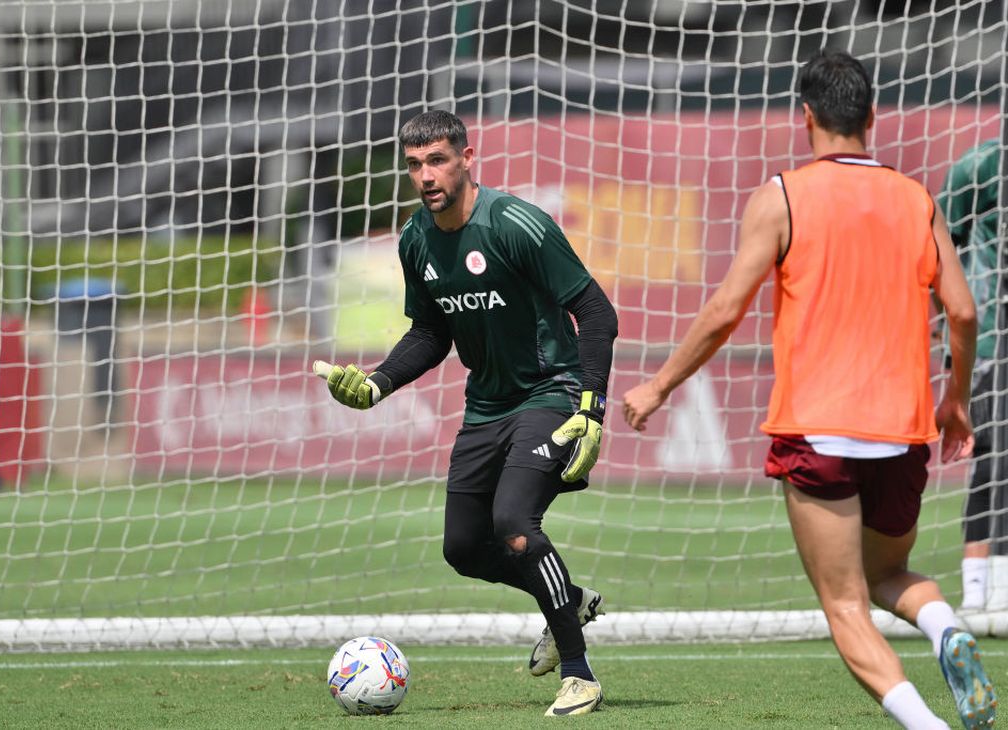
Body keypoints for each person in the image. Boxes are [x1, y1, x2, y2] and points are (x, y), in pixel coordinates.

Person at [622, 51, 995, 729]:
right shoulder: (916, 198)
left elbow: (724, 311)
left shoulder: (782, 196)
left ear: (807, 117)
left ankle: (929, 725)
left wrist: (657, 386)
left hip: (819, 427)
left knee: (846, 603)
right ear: (872, 116)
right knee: (889, 576)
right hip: (902, 428)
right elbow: (965, 312)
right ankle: (945, 630)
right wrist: (954, 400)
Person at [314, 110, 618, 716]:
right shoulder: (415, 239)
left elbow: (598, 313)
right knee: (463, 548)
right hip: (486, 408)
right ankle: (570, 596)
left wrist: (591, 407)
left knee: (514, 520)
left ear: (466, 158)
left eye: (437, 160)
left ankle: (579, 673)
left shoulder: (516, 224)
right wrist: (377, 385)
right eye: (414, 165)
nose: (426, 175)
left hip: (550, 393)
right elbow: (430, 333)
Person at [937, 139, 1005, 611]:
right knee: (993, 460)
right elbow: (941, 241)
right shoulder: (981, 166)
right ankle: (980, 591)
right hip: (989, 340)